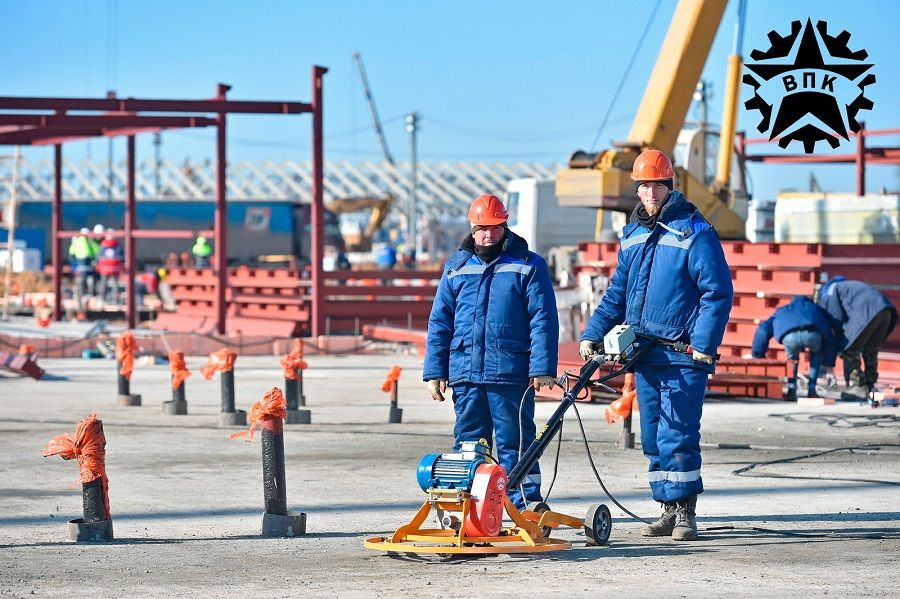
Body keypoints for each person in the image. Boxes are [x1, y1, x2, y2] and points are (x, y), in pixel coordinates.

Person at [578, 149, 733, 542]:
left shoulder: (694, 231)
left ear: (669, 185)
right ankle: (666, 507)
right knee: (651, 434)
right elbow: (617, 292)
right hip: (644, 352)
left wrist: (703, 343)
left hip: (682, 352)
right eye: (643, 186)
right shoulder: (633, 234)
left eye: (656, 185)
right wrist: (592, 333)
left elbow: (717, 292)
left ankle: (685, 513)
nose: (649, 192)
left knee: (678, 433)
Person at [423, 193, 559, 510]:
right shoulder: (456, 268)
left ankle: (524, 502)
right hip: (466, 374)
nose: (488, 234)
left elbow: (543, 319)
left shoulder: (528, 265)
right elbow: (440, 322)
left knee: (516, 441)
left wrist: (542, 367)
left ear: (505, 226)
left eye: (495, 227)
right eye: (482, 228)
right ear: (472, 228)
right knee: (469, 443)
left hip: (509, 372)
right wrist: (435, 372)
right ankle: (470, 505)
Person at [817, 276, 897, 399]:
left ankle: (859, 386)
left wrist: (839, 344)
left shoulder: (829, 292)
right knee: (871, 350)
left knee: (848, 349)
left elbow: (836, 319)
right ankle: (871, 386)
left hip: (868, 312)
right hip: (886, 310)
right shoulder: (846, 287)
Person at [751, 295, 837, 400]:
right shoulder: (816, 309)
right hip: (812, 335)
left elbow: (762, 331)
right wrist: (829, 365)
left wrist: (758, 355)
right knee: (815, 354)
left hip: (790, 337)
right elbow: (831, 333)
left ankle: (791, 391)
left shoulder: (783, 310)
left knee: (792, 360)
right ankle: (812, 390)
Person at [68, 227, 98, 311]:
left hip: (83, 263)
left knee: (84, 280)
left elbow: (71, 253)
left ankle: (85, 294)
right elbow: (95, 251)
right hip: (84, 263)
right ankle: (87, 294)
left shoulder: (80, 241)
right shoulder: (89, 241)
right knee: (86, 280)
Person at [96, 228, 123, 306]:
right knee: (115, 284)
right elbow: (121, 257)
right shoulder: (117, 245)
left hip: (105, 269)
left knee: (103, 283)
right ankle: (115, 300)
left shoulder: (102, 245)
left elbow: (98, 257)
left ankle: (102, 299)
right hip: (115, 268)